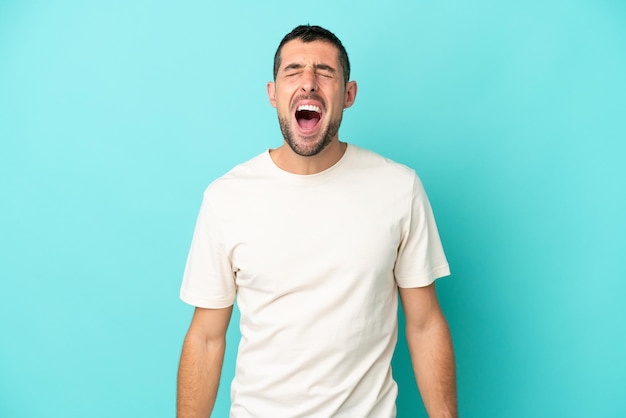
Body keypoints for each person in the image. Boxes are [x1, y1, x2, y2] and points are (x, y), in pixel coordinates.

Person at [177, 24, 457, 418]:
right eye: (293, 71)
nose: (308, 83)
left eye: (325, 72)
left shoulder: (399, 188)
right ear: (273, 94)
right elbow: (206, 338)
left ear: (348, 94)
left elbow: (425, 323)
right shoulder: (226, 198)